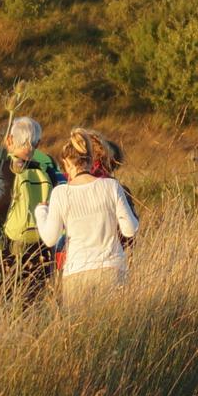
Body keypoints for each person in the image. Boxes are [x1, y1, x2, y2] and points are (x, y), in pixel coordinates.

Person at [35, 128, 140, 302]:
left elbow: (50, 239)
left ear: (67, 164)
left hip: (76, 272)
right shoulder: (111, 186)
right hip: (112, 269)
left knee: (79, 328)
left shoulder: (61, 193)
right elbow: (130, 230)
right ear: (91, 160)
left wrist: (41, 211)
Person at [0, 117, 63, 292]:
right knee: (34, 303)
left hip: (2, 250)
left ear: (9, 140)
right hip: (40, 249)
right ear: (38, 143)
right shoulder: (47, 171)